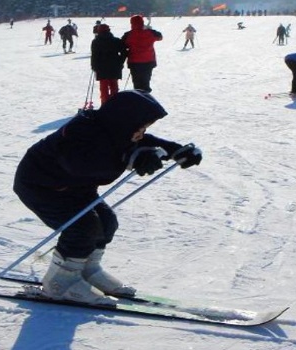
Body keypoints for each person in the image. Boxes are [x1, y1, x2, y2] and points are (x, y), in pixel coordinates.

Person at [13, 90, 202, 305]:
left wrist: (175, 150)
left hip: (76, 189)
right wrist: (131, 158)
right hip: (41, 186)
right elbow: (82, 167)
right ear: (123, 121)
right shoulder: (80, 132)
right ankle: (60, 283)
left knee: (106, 223)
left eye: (144, 128)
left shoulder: (116, 130)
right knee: (82, 228)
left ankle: (87, 271)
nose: (142, 133)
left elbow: (143, 142)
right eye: (140, 127)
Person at [121, 15, 163, 92]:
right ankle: (146, 97)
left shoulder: (128, 34)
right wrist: (149, 29)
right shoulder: (150, 33)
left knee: (137, 83)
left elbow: (122, 45)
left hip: (134, 62)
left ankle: (138, 98)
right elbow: (160, 37)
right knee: (146, 82)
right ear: (142, 22)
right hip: (148, 61)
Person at [91, 24, 126, 104]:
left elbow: (94, 55)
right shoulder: (116, 40)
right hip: (115, 67)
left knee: (104, 89)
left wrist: (94, 66)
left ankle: (105, 105)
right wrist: (120, 61)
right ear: (109, 30)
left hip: (101, 68)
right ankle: (114, 105)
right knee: (114, 87)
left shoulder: (96, 41)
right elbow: (124, 52)